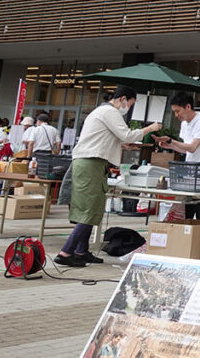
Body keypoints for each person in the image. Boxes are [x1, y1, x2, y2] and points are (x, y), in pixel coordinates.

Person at [56, 87, 161, 267]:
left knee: (94, 208)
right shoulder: (109, 111)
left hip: (92, 163)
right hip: (90, 163)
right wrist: (150, 128)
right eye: (130, 104)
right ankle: (66, 252)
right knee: (89, 209)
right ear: (122, 99)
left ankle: (81, 251)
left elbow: (109, 138)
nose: (128, 107)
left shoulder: (102, 111)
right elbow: (126, 134)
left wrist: (122, 145)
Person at [154, 92, 200, 219]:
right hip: (191, 171)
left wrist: (171, 141)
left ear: (188, 107)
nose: (176, 115)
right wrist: (170, 146)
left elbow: (192, 147)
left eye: (178, 111)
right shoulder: (184, 124)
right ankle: (189, 236)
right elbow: (185, 149)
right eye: (174, 112)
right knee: (187, 210)